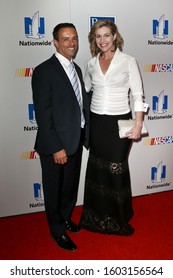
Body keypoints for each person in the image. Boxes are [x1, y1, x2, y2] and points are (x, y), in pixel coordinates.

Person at [79, 20, 148, 236]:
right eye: (98, 37)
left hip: (120, 122)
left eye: (106, 35)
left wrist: (138, 124)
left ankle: (119, 216)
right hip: (97, 122)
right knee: (97, 170)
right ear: (94, 39)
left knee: (116, 168)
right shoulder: (90, 64)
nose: (103, 41)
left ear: (115, 36)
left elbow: (137, 94)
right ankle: (96, 215)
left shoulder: (128, 61)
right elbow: (87, 91)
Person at [32, 23, 89, 251]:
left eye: (74, 38)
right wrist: (56, 147)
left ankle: (65, 218)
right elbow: (43, 115)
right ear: (55, 42)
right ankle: (57, 231)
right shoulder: (44, 71)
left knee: (69, 187)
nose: (71, 43)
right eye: (65, 39)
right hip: (56, 145)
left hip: (75, 140)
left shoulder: (75, 69)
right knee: (54, 190)